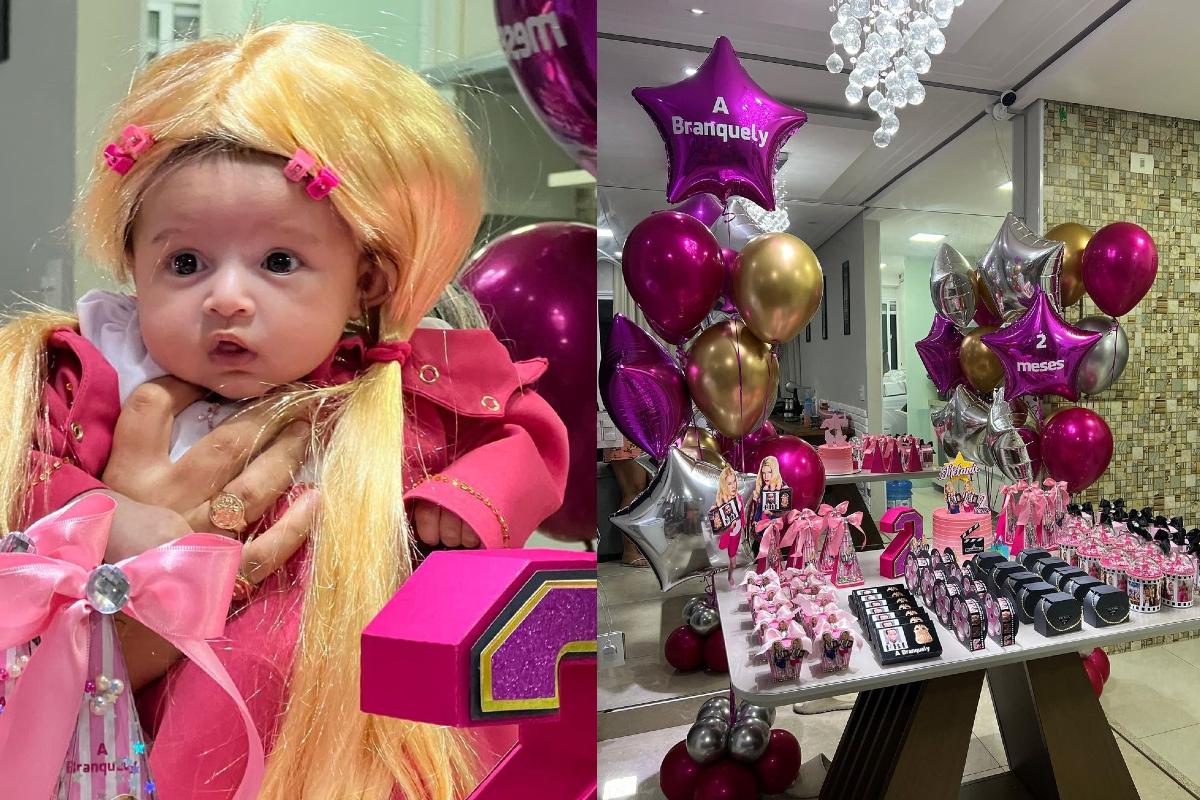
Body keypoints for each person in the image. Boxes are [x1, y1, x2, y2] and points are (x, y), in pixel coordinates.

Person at [2, 22, 569, 799]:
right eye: (185, 262)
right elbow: (25, 469)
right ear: (134, 264)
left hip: (346, 708)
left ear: (364, 280)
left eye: (279, 261)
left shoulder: (403, 390)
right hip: (145, 715)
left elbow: (523, 435)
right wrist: (106, 514)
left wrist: (463, 501)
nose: (227, 298)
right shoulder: (91, 371)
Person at [604, 437, 649, 566]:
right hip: (627, 433)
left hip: (650, 432)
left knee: (653, 489)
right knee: (634, 489)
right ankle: (630, 551)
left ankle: (646, 548)